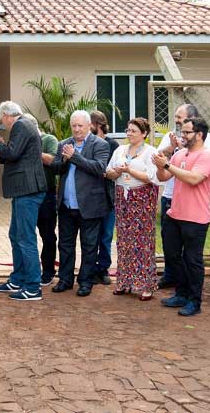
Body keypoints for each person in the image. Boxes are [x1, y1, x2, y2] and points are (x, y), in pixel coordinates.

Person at [153, 117, 210, 316]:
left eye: (187, 132)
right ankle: (180, 294)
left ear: (199, 135)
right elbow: (163, 177)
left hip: (196, 218)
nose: (183, 135)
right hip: (175, 214)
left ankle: (194, 301)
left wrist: (167, 165)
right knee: (173, 255)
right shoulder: (180, 153)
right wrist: (159, 164)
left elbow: (194, 179)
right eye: (182, 131)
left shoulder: (208, 156)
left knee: (192, 260)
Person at [0, 101, 47, 301]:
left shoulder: (21, 125)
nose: (3, 124)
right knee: (16, 234)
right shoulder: (27, 125)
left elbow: (12, 153)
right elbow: (14, 153)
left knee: (25, 238)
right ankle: (18, 278)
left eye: (2, 120)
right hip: (24, 190)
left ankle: (32, 286)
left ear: (6, 115)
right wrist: (2, 145)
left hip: (27, 190)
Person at [49, 110, 110, 297]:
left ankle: (85, 281)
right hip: (67, 205)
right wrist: (66, 160)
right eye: (73, 126)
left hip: (90, 205)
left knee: (89, 245)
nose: (76, 130)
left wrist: (75, 156)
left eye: (80, 126)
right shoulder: (64, 144)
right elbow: (56, 168)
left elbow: (99, 168)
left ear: (89, 125)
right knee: (65, 245)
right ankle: (65, 280)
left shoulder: (100, 144)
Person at [104, 118, 159, 300]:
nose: (129, 133)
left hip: (142, 200)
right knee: (124, 239)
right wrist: (118, 172)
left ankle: (146, 284)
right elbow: (109, 172)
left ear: (144, 133)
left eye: (133, 131)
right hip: (123, 199)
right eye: (128, 130)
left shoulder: (151, 152)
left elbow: (151, 177)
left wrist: (129, 170)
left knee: (142, 241)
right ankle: (124, 281)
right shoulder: (120, 150)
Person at [25, 113, 59, 287]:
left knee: (47, 235)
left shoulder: (48, 139)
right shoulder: (22, 142)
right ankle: (29, 270)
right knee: (25, 235)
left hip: (46, 195)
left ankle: (48, 270)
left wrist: (34, 150)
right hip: (26, 195)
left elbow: (53, 160)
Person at [90, 110, 120, 286]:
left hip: (108, 197)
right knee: (90, 236)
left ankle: (103, 269)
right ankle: (90, 268)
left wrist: (105, 172)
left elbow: (111, 170)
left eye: (90, 124)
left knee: (106, 235)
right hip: (90, 197)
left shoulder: (112, 145)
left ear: (98, 125)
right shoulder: (87, 143)